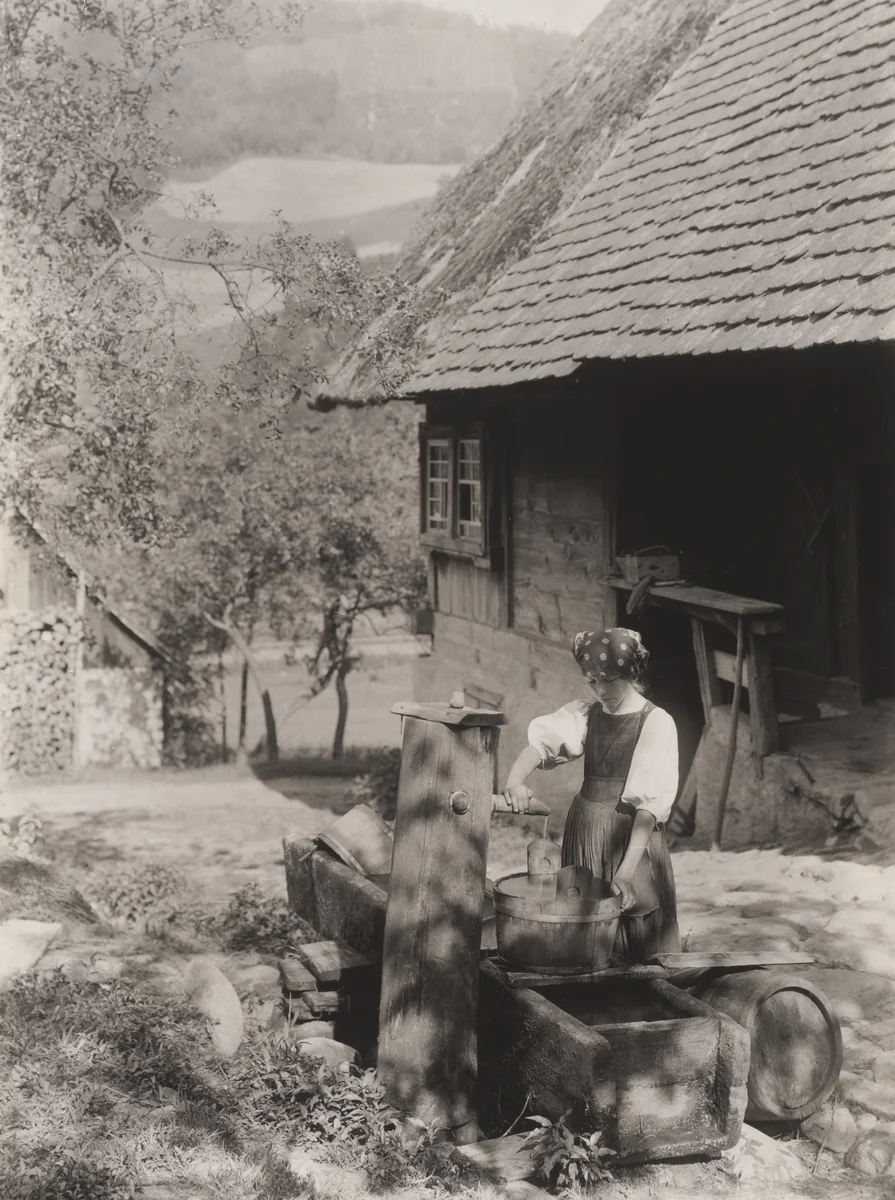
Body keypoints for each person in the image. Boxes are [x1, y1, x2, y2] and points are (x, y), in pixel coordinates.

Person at [502, 628, 681, 963]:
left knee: (632, 915)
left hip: (630, 836)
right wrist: (514, 781)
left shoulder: (655, 723)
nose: (600, 690)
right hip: (585, 830)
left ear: (630, 674)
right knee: (583, 913)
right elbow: (540, 747)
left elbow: (648, 809)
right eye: (591, 681)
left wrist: (626, 870)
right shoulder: (588, 714)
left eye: (609, 680)